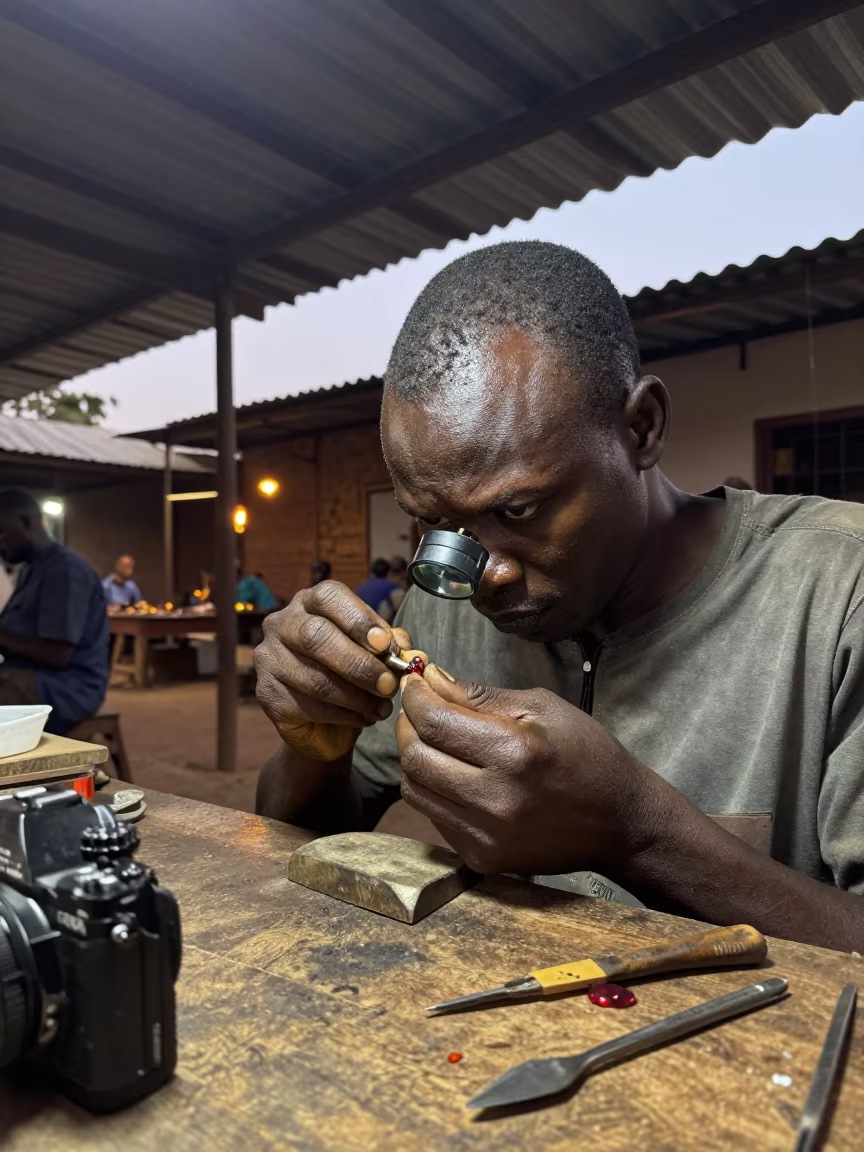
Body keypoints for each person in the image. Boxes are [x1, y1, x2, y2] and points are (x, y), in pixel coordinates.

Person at [254, 241, 864, 954]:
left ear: (641, 428)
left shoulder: (837, 591)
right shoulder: (448, 594)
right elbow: (311, 838)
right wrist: (312, 751)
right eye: (434, 523)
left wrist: (635, 831)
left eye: (518, 512)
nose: (480, 576)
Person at [0, 488, 109, 735]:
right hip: (29, 678)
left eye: (1, 532)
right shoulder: (30, 570)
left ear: (26, 522)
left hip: (67, 689)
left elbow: (57, 655)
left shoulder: (65, 570)